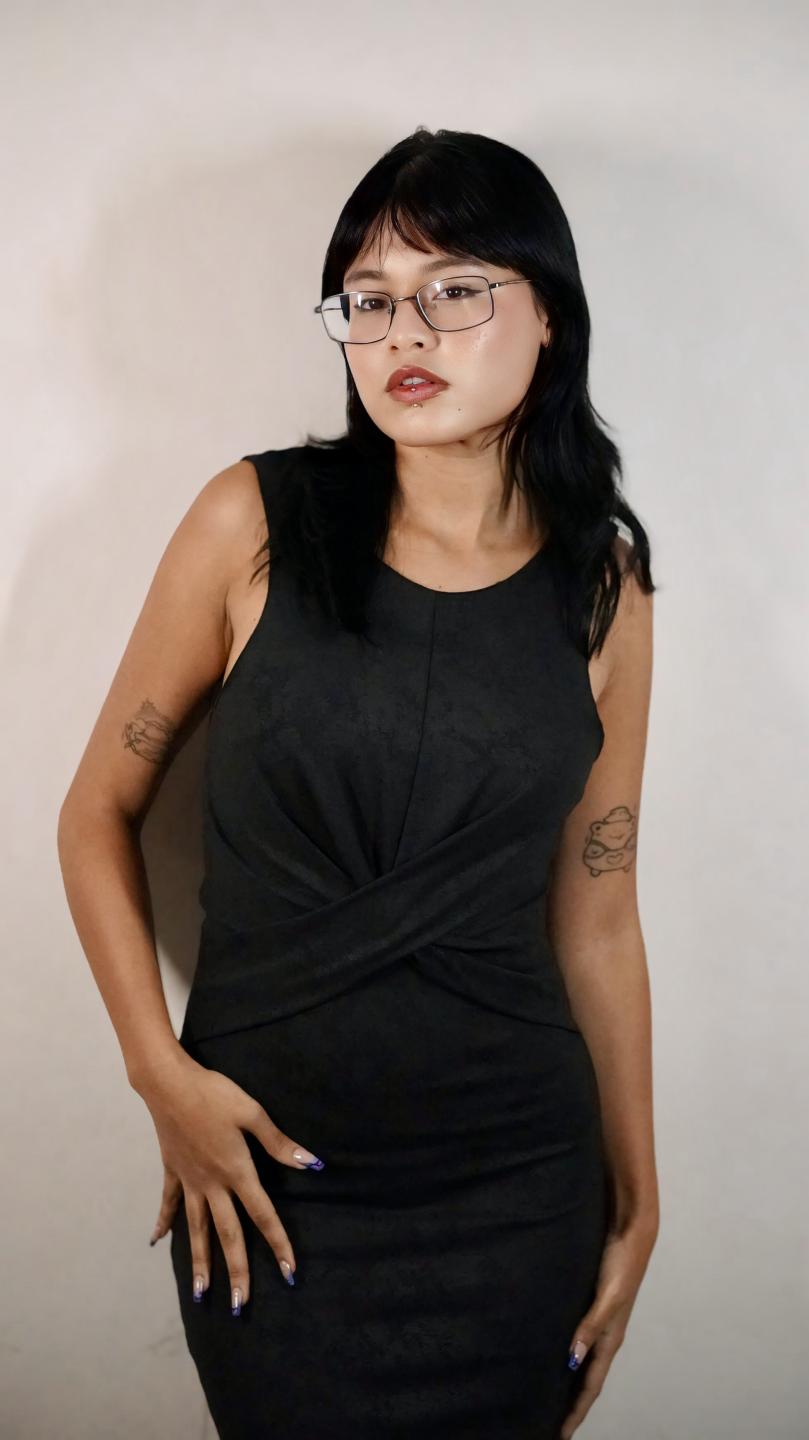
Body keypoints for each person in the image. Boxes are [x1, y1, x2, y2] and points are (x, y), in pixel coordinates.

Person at [57, 126, 659, 1439]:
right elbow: (93, 814)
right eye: (369, 299)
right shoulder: (250, 523)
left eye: (456, 289)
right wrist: (159, 1076)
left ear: (549, 316)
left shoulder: (604, 587)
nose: (405, 333)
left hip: (518, 1186)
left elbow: (599, 915)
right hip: (269, 1191)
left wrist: (641, 1191)